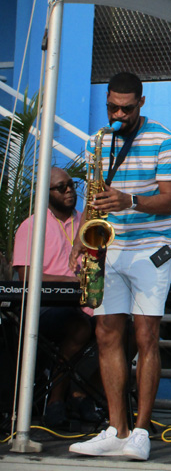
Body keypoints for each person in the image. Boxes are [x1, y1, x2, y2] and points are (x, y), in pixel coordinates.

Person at [68, 72, 171, 461]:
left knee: (146, 334)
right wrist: (80, 241)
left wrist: (129, 201)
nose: (118, 115)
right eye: (112, 107)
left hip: (151, 248)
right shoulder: (97, 141)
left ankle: (141, 431)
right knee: (105, 333)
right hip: (109, 246)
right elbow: (94, 198)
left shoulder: (164, 139)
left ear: (141, 103)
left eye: (126, 109)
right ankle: (117, 430)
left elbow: (170, 200)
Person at [12, 167, 102, 427]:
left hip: (86, 306)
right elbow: (25, 277)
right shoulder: (32, 226)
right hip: (45, 309)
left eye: (72, 185)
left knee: (126, 331)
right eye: (61, 187)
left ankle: (82, 393)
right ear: (45, 192)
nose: (69, 191)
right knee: (78, 327)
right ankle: (55, 400)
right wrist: (69, 281)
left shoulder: (87, 223)